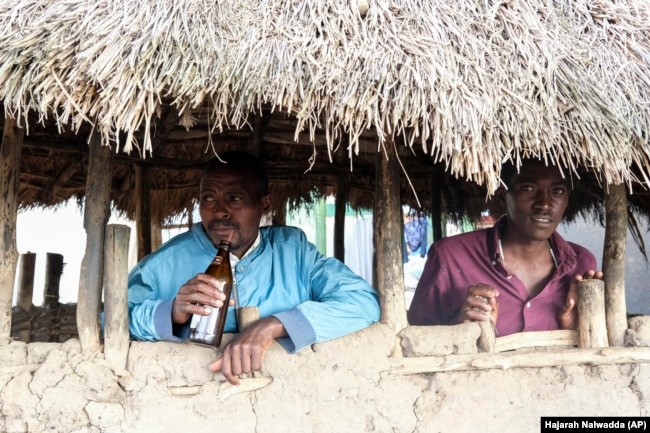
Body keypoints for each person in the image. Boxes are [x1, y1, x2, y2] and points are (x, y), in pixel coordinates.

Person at [127, 151, 380, 384]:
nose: (220, 211)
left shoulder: (294, 253)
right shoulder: (163, 264)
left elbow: (363, 304)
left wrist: (274, 324)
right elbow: (109, 321)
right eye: (208, 199)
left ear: (266, 205)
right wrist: (170, 312)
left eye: (234, 198)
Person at [407, 158, 603, 336]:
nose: (544, 204)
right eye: (528, 188)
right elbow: (414, 338)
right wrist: (459, 328)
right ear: (502, 197)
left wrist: (573, 331)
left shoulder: (581, 264)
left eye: (557, 191)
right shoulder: (450, 257)